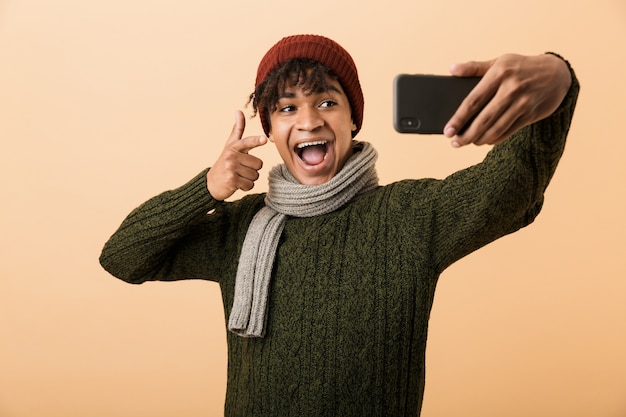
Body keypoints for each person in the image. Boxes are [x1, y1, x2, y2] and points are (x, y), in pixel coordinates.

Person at [99, 34, 579, 416]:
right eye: (287, 107)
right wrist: (203, 189)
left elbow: (512, 188)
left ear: (354, 120)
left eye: (326, 102)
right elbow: (122, 256)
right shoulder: (242, 228)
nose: (308, 121)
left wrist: (558, 76)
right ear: (268, 129)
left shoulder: (408, 217)